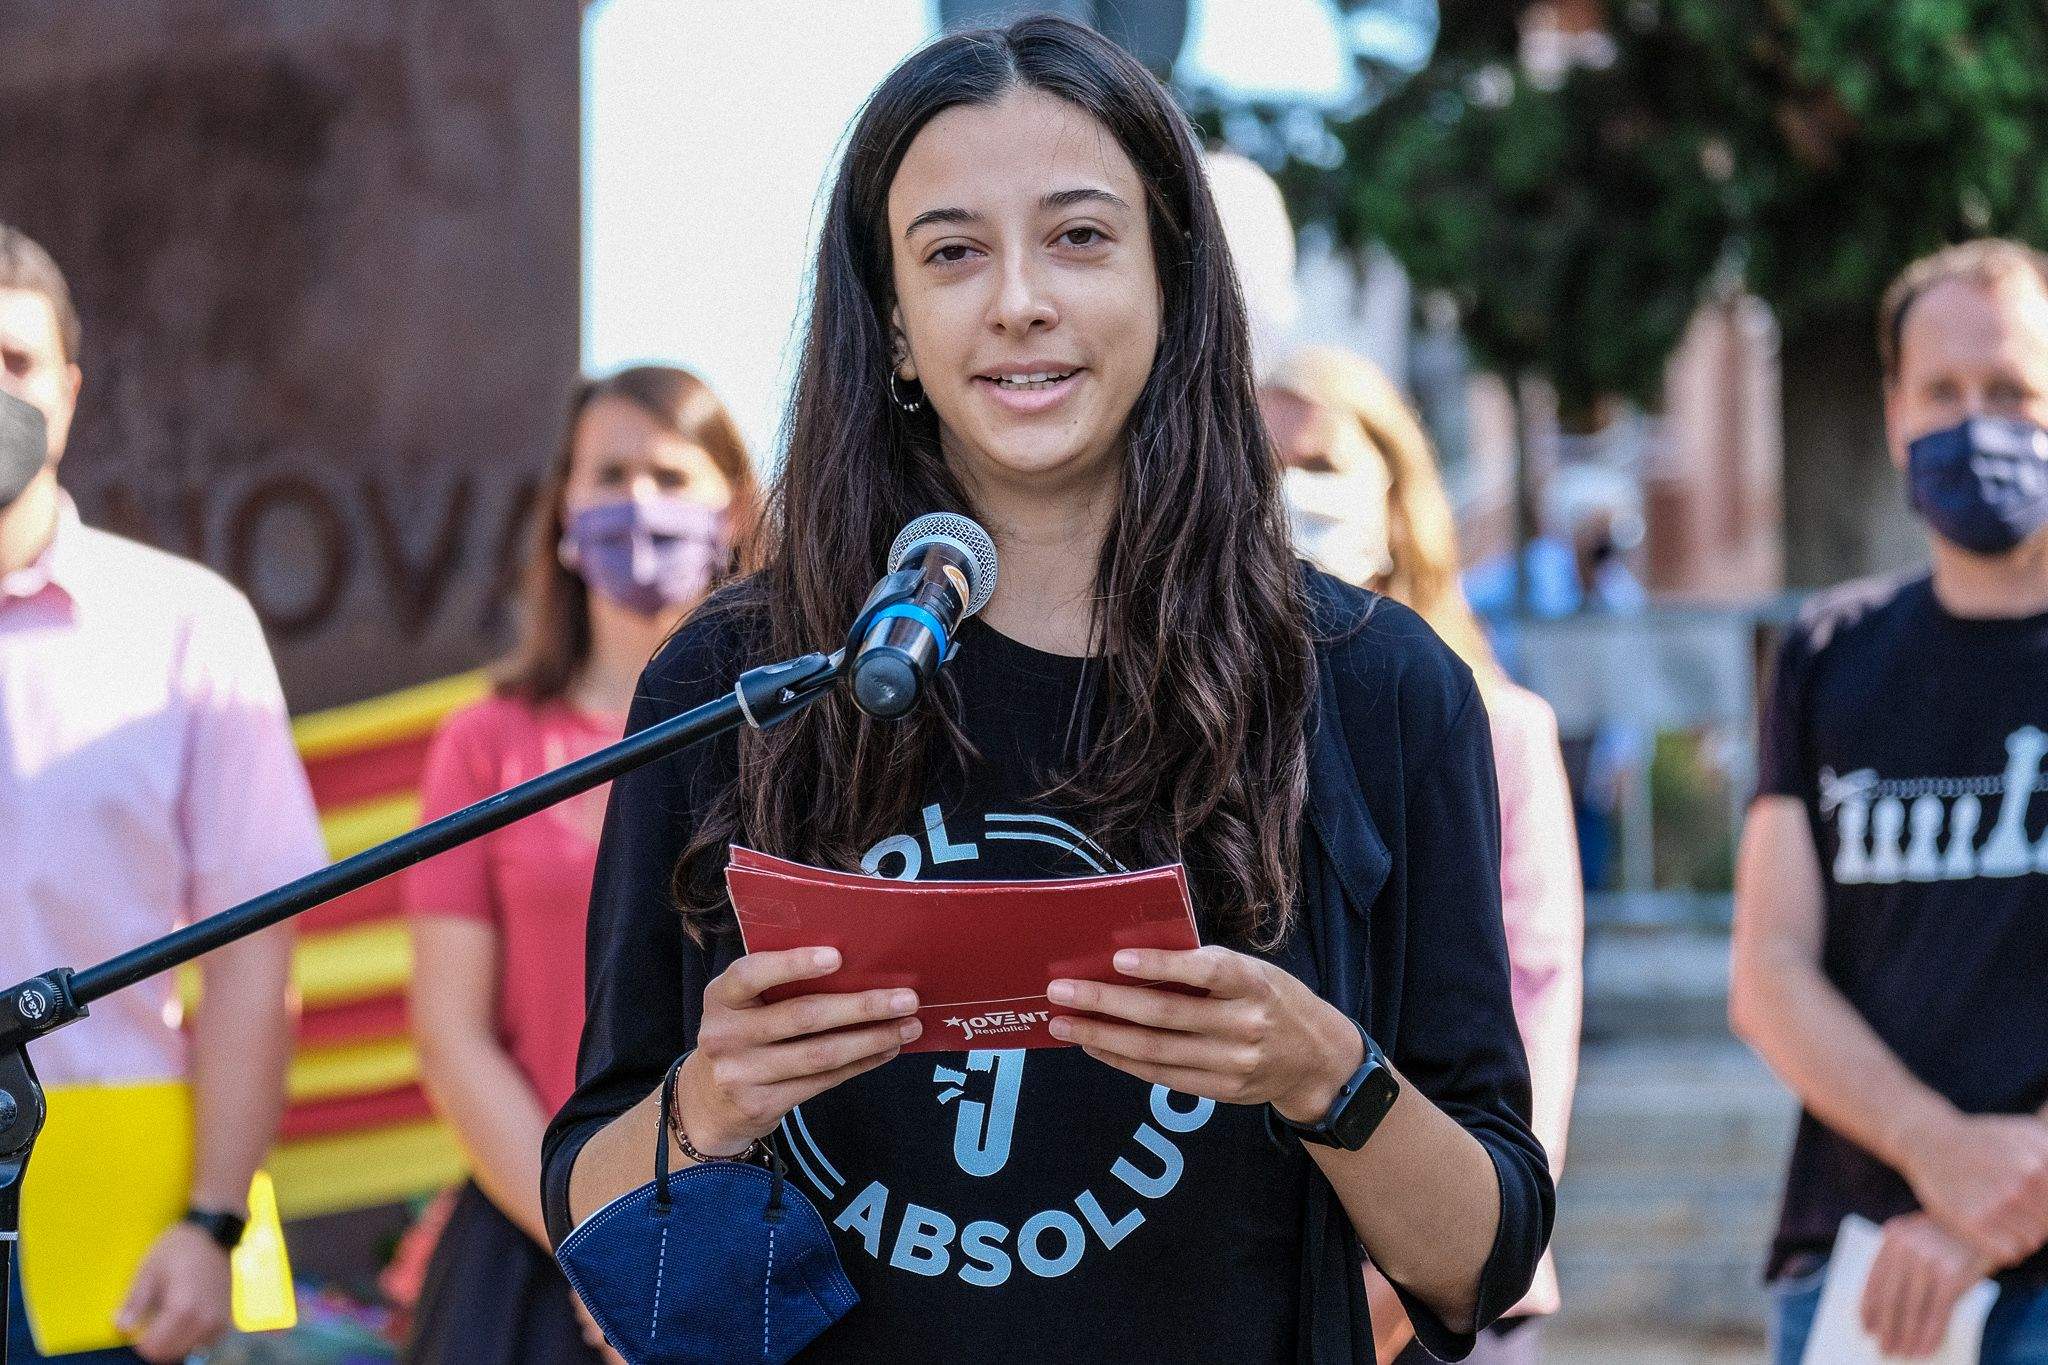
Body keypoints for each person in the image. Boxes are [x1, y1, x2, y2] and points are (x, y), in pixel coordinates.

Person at [542, 18, 1552, 1364]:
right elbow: (592, 1215)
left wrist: (1325, 1073)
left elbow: (1482, 1254)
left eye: (1079, 237)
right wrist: (711, 1102)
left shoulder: (1374, 687)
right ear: (893, 326)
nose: (1018, 298)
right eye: (954, 252)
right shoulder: (736, 682)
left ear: (1172, 286)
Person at [0, 224, 325, 1362]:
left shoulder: (186, 626)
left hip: (124, 1238)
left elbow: (255, 952)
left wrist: (212, 1218)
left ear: (70, 392)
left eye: (15, 363)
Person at [1730, 238, 2048, 1364]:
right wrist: (1939, 1151)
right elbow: (1766, 970)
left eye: (2013, 391)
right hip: (1860, 1277)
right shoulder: (1826, 651)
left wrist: (2007, 1198)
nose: (1978, 424)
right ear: (1892, 414)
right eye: (1943, 393)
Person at [399, 366, 758, 1364]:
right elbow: (451, 1034)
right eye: (608, 473)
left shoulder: (799, 728)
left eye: (668, 474)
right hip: (535, 1250)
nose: (637, 503)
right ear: (562, 513)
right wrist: (596, 1239)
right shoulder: (486, 743)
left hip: (761, 1232)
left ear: (731, 507)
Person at [1263, 346, 1584, 1365]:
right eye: (1259, 466)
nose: (1285, 496)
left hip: (1445, 1288)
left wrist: (1394, 1293)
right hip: (1274, 1269)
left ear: (1390, 492)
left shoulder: (1494, 722)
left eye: (1316, 465)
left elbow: (1529, 1013)